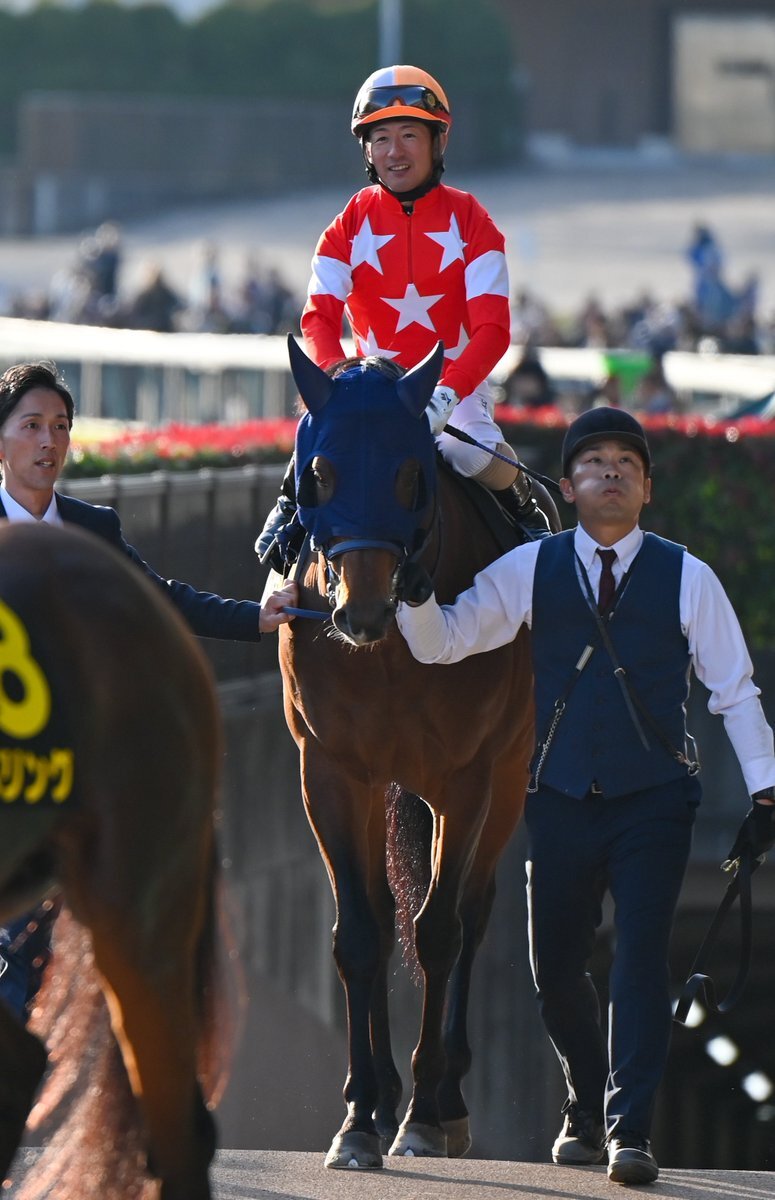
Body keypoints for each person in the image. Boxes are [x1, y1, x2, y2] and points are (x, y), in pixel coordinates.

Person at [395, 405, 775, 1185]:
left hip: (655, 800)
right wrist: (410, 592)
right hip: (559, 796)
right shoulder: (530, 567)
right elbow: (444, 642)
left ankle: (627, 1128)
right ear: (566, 487)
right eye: (594, 463)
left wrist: (766, 794)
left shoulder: (687, 577)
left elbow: (733, 692)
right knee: (555, 969)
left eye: (626, 464)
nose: (610, 472)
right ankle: (583, 1091)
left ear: (646, 489)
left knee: (639, 960)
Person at [0, 361, 298, 1023]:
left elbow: (158, 602)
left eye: (60, 427)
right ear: (1, 443)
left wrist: (252, 616)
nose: (48, 442)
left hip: (77, 772)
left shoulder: (93, 530)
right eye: (31, 427)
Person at [256, 64, 549, 570]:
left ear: (437, 143)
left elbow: (493, 332)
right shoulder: (345, 225)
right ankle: (289, 508)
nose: (395, 151)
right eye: (382, 138)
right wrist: (336, 378)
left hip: (453, 389)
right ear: (367, 151)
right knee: (316, 432)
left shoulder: (473, 220)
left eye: (410, 135)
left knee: (471, 455)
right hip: (371, 388)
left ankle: (522, 499)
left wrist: (446, 393)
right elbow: (318, 320)